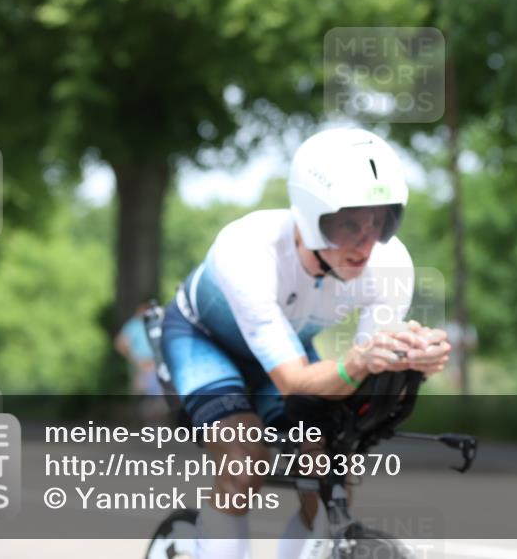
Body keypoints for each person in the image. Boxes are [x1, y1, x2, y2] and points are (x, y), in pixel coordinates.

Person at [161, 128, 451, 559]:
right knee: (243, 460)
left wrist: (413, 358)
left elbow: (366, 369)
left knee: (330, 470)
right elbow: (297, 379)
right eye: (348, 223)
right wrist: (360, 361)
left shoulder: (391, 264)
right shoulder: (248, 248)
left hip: (286, 352)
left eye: (380, 221)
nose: (366, 242)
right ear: (311, 216)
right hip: (205, 341)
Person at [116, 303, 162, 396]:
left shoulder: (155, 323)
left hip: (154, 363)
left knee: (157, 393)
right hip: (140, 363)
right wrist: (135, 359)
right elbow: (120, 344)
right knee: (140, 391)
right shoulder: (133, 325)